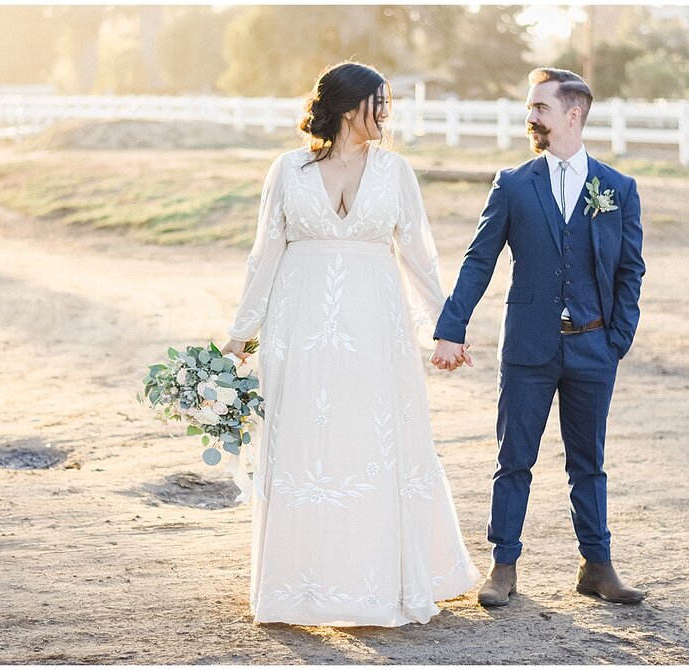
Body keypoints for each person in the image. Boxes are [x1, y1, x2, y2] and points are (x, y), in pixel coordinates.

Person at [220, 61, 480, 627]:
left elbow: (419, 257)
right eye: (378, 103)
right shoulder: (287, 171)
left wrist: (444, 326)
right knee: (307, 446)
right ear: (345, 107)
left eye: (388, 103)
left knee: (371, 440)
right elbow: (264, 255)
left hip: (375, 330)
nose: (386, 113)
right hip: (300, 329)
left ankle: (378, 580)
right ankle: (302, 585)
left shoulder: (396, 172)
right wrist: (241, 337)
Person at [430, 67, 646, 607]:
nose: (530, 117)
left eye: (540, 108)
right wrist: (450, 328)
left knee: (588, 463)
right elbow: (479, 261)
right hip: (528, 347)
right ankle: (503, 567)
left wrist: (616, 339)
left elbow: (630, 270)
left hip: (594, 348)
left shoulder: (617, 188)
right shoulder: (513, 184)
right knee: (514, 458)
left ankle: (597, 567)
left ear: (573, 115)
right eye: (529, 107)